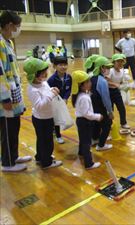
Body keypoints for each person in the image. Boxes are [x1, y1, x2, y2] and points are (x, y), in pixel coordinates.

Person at [0, 10, 32, 172]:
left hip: (14, 96)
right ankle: (7, 163)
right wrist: (5, 99)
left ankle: (14, 156)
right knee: (7, 131)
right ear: (8, 25)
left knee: (14, 129)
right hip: (5, 99)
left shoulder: (8, 42)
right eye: (16, 27)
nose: (17, 30)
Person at [24, 58, 63, 169]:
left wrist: (52, 89)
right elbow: (40, 105)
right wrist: (52, 95)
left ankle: (40, 157)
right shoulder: (32, 89)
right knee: (47, 141)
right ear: (35, 75)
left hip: (47, 116)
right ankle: (47, 162)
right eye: (43, 72)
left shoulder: (43, 83)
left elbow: (46, 92)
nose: (46, 74)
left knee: (42, 140)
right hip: (42, 119)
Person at [71, 70, 102, 170]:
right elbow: (87, 114)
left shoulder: (80, 95)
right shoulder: (84, 98)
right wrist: (97, 116)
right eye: (88, 82)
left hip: (80, 121)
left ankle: (81, 153)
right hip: (85, 122)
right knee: (87, 142)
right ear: (81, 85)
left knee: (83, 139)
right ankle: (89, 163)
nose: (90, 83)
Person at [84, 55, 114, 151]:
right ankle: (101, 145)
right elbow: (106, 98)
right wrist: (110, 111)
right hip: (100, 107)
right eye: (107, 67)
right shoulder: (102, 81)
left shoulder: (90, 77)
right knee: (107, 124)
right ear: (101, 67)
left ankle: (95, 139)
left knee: (96, 123)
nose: (109, 69)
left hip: (92, 106)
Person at [47, 56, 72, 144]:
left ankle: (54, 129)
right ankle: (58, 135)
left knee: (60, 116)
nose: (63, 67)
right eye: (60, 65)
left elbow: (69, 89)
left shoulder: (68, 77)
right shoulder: (51, 80)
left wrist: (65, 98)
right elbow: (49, 91)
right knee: (56, 117)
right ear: (54, 66)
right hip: (54, 102)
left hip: (63, 101)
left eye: (65, 64)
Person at [107, 53, 130, 129]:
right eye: (118, 61)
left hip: (116, 92)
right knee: (110, 110)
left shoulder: (122, 71)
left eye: (121, 61)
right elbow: (106, 81)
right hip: (108, 92)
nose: (120, 63)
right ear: (114, 62)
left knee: (121, 108)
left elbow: (121, 82)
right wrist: (114, 84)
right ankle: (109, 125)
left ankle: (123, 123)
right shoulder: (110, 71)